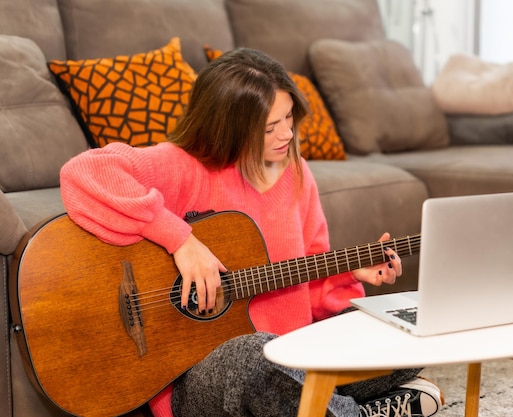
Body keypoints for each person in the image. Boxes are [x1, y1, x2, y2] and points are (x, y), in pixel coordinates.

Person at [60, 48, 443, 417]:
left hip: (297, 355)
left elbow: (305, 274)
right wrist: (181, 240)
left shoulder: (297, 172)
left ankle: (336, 407)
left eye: (289, 118)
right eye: (269, 128)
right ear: (228, 127)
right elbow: (84, 172)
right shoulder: (184, 165)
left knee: (404, 327)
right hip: (200, 376)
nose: (286, 135)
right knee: (259, 357)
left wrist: (348, 273)